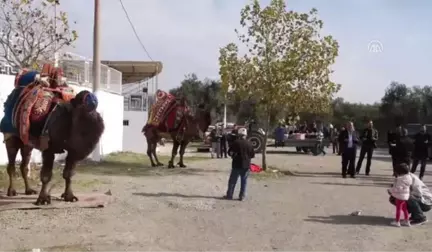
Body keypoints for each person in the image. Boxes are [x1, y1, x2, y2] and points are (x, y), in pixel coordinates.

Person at [224, 128, 255, 201]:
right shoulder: (249, 143)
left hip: (236, 164)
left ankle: (229, 195)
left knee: (232, 181)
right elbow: (252, 155)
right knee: (244, 181)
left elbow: (229, 152)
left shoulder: (235, 143)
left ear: (239, 135)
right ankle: (242, 196)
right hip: (246, 165)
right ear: (245, 135)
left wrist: (234, 155)